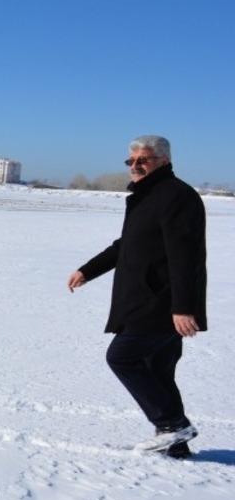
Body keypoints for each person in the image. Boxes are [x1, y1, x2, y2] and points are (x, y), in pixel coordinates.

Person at [68, 135, 207, 458]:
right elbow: (126, 245)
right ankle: (176, 445)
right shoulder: (147, 196)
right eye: (130, 161)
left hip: (160, 302)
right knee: (157, 370)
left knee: (123, 357)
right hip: (146, 298)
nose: (135, 166)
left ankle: (172, 425)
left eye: (142, 160)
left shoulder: (176, 196)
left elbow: (185, 256)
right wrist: (88, 270)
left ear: (164, 161)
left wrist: (183, 308)